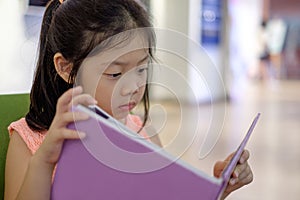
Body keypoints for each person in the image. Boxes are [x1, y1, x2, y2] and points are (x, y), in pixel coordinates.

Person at [4, 0, 253, 199]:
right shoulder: (30, 138)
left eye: (142, 70)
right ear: (66, 68)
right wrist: (45, 160)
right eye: (115, 73)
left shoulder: (143, 133)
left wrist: (218, 190)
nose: (133, 87)